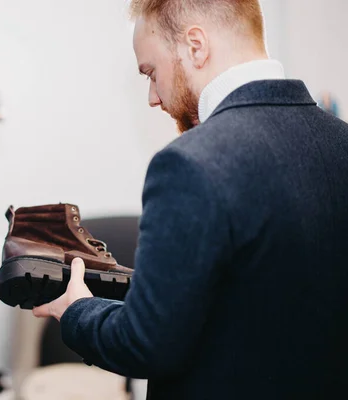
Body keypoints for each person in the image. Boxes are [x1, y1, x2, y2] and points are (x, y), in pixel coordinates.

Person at [32, 1, 348, 399]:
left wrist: (76, 309)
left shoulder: (189, 162)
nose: (152, 96)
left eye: (151, 72)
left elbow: (146, 343)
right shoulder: (343, 142)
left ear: (195, 46)